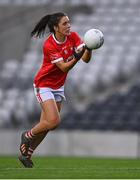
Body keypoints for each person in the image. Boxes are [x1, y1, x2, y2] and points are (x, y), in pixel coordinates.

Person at [18, 12, 93, 168]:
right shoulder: (49, 44)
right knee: (54, 121)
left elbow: (85, 59)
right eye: (65, 23)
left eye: (69, 22)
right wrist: (77, 56)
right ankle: (27, 135)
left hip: (58, 87)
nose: (69, 26)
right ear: (55, 27)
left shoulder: (73, 37)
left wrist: (89, 48)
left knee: (47, 125)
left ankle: (26, 154)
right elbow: (64, 67)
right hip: (43, 84)